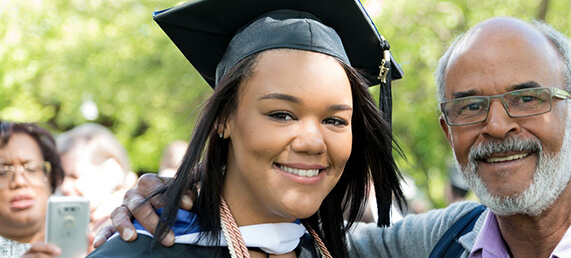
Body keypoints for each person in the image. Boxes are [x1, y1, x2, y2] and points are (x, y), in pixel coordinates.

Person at [98, 17, 571, 257]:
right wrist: (187, 195)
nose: (498, 125)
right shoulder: (443, 242)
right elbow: (281, 228)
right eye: (469, 107)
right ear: (447, 130)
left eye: (526, 98)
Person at [88, 0, 405, 257]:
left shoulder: (339, 250)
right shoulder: (141, 251)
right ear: (223, 118)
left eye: (335, 120)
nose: (312, 142)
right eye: (282, 114)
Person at [55, 123, 138, 232]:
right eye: (60, 177)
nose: (64, 187)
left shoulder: (131, 224)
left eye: (75, 176)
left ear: (113, 170)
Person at [0, 121, 65, 257]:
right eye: (2, 172)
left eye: (31, 168)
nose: (19, 182)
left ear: (51, 177)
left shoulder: (94, 241)